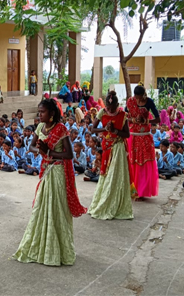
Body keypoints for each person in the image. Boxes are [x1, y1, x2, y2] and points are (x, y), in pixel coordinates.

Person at [13, 98, 86, 266]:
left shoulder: (61, 129)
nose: (39, 115)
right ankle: (43, 245)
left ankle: (59, 249)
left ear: (51, 113)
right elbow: (31, 146)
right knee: (42, 207)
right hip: (46, 171)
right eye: (39, 112)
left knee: (57, 209)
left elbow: (69, 155)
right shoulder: (39, 127)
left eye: (42, 112)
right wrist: (40, 148)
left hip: (58, 172)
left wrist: (49, 151)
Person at [88, 90, 134, 220]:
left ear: (117, 105)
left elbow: (127, 134)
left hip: (118, 147)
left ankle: (116, 203)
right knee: (105, 174)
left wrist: (115, 130)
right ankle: (103, 201)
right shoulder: (102, 113)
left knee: (115, 175)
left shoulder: (122, 115)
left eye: (112, 108)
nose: (109, 110)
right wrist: (105, 129)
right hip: (106, 146)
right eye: (108, 107)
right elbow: (93, 129)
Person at [126, 85, 161, 200]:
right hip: (133, 136)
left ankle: (142, 191)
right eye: (136, 97)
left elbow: (158, 119)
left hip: (144, 136)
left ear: (143, 95)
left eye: (140, 97)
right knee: (132, 161)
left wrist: (146, 121)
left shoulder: (149, 102)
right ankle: (131, 189)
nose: (138, 100)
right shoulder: (130, 102)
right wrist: (134, 120)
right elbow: (125, 117)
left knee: (144, 162)